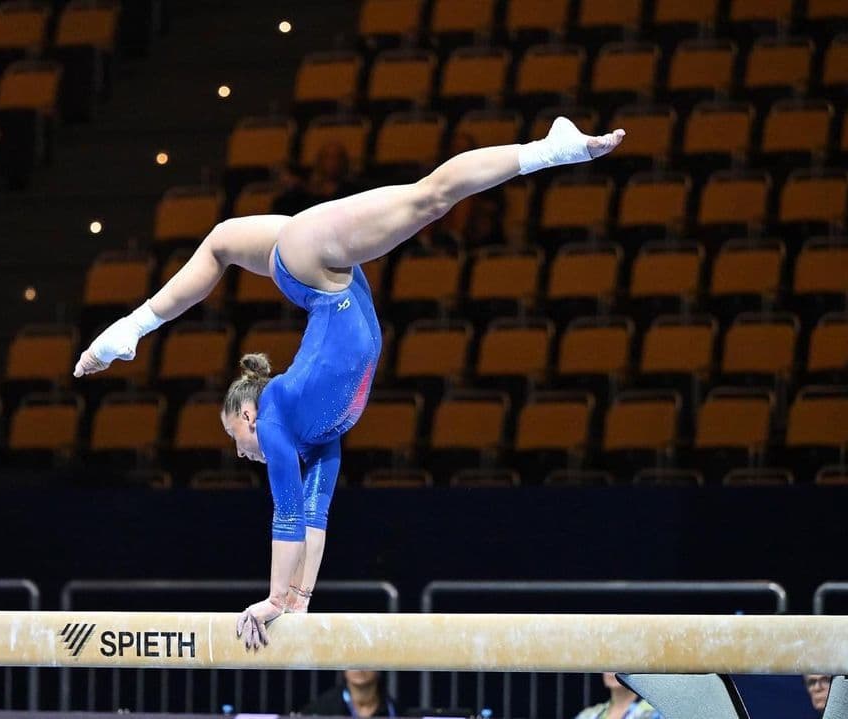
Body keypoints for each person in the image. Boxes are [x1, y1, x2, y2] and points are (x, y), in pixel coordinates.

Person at [71, 118, 626, 651]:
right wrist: (297, 602)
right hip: (320, 275)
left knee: (430, 198)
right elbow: (313, 518)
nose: (240, 453)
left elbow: (285, 516)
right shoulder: (322, 437)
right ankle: (128, 330)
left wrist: (271, 600)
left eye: (234, 439)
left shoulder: (277, 419)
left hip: (314, 265)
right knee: (219, 242)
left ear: (247, 416)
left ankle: (552, 149)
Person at [272, 141, 361, 216]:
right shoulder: (304, 193)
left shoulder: (354, 192)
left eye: (337, 157)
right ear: (319, 161)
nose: (332, 162)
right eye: (327, 157)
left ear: (345, 161)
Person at [301, 670, 397, 717]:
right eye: (353, 656)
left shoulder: (397, 710)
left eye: (366, 657)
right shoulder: (318, 710)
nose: (359, 666)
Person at [574, 673, 662, 719]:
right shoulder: (589, 715)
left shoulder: (655, 712)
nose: (611, 671)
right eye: (607, 664)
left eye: (617, 664)